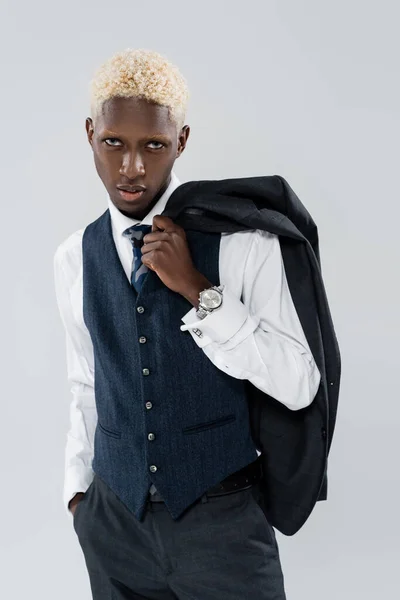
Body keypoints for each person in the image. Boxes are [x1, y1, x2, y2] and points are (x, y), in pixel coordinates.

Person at [54, 48, 321, 600]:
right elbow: (86, 381)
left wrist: (199, 291)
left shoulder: (244, 242)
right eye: (114, 143)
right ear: (89, 134)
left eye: (154, 145)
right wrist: (79, 497)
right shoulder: (72, 258)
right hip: (114, 524)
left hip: (222, 527)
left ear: (182, 140)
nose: (132, 168)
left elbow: (300, 384)